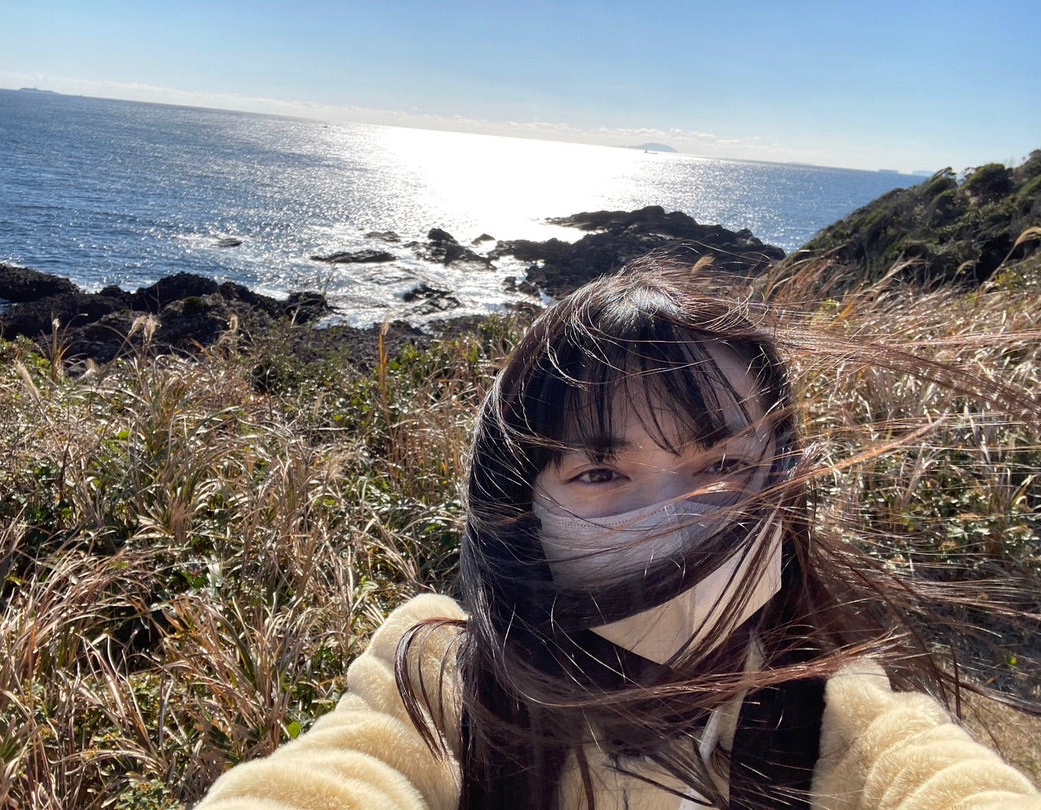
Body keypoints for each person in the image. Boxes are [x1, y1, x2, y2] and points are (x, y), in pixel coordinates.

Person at [196, 262, 1040, 809]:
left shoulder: (829, 703)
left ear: (783, 483)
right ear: (522, 510)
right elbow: (339, 776)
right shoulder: (440, 675)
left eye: (723, 464)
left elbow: (939, 780)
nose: (677, 522)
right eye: (601, 474)